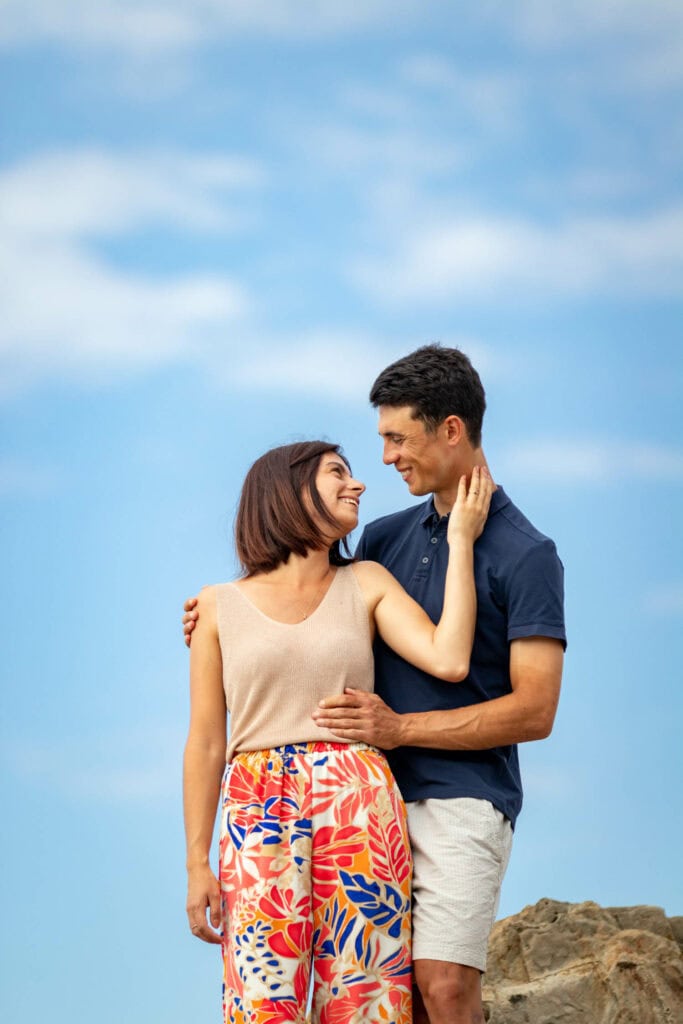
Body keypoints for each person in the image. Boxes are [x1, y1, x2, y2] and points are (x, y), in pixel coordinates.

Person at [183, 438, 492, 1024]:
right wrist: (197, 862)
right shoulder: (216, 607)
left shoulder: (367, 582)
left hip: (359, 804)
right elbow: (204, 742)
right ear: (289, 490)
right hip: (256, 804)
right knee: (261, 1000)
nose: (358, 484)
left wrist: (460, 542)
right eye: (337, 473)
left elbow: (450, 658)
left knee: (367, 998)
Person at [310, 346, 566, 1024]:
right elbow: (310, 608)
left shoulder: (527, 554)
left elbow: (535, 708)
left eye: (397, 437)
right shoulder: (381, 538)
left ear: (450, 429)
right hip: (369, 802)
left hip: (464, 798)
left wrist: (402, 729)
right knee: (384, 998)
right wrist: (220, 609)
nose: (387, 457)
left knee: (445, 986)